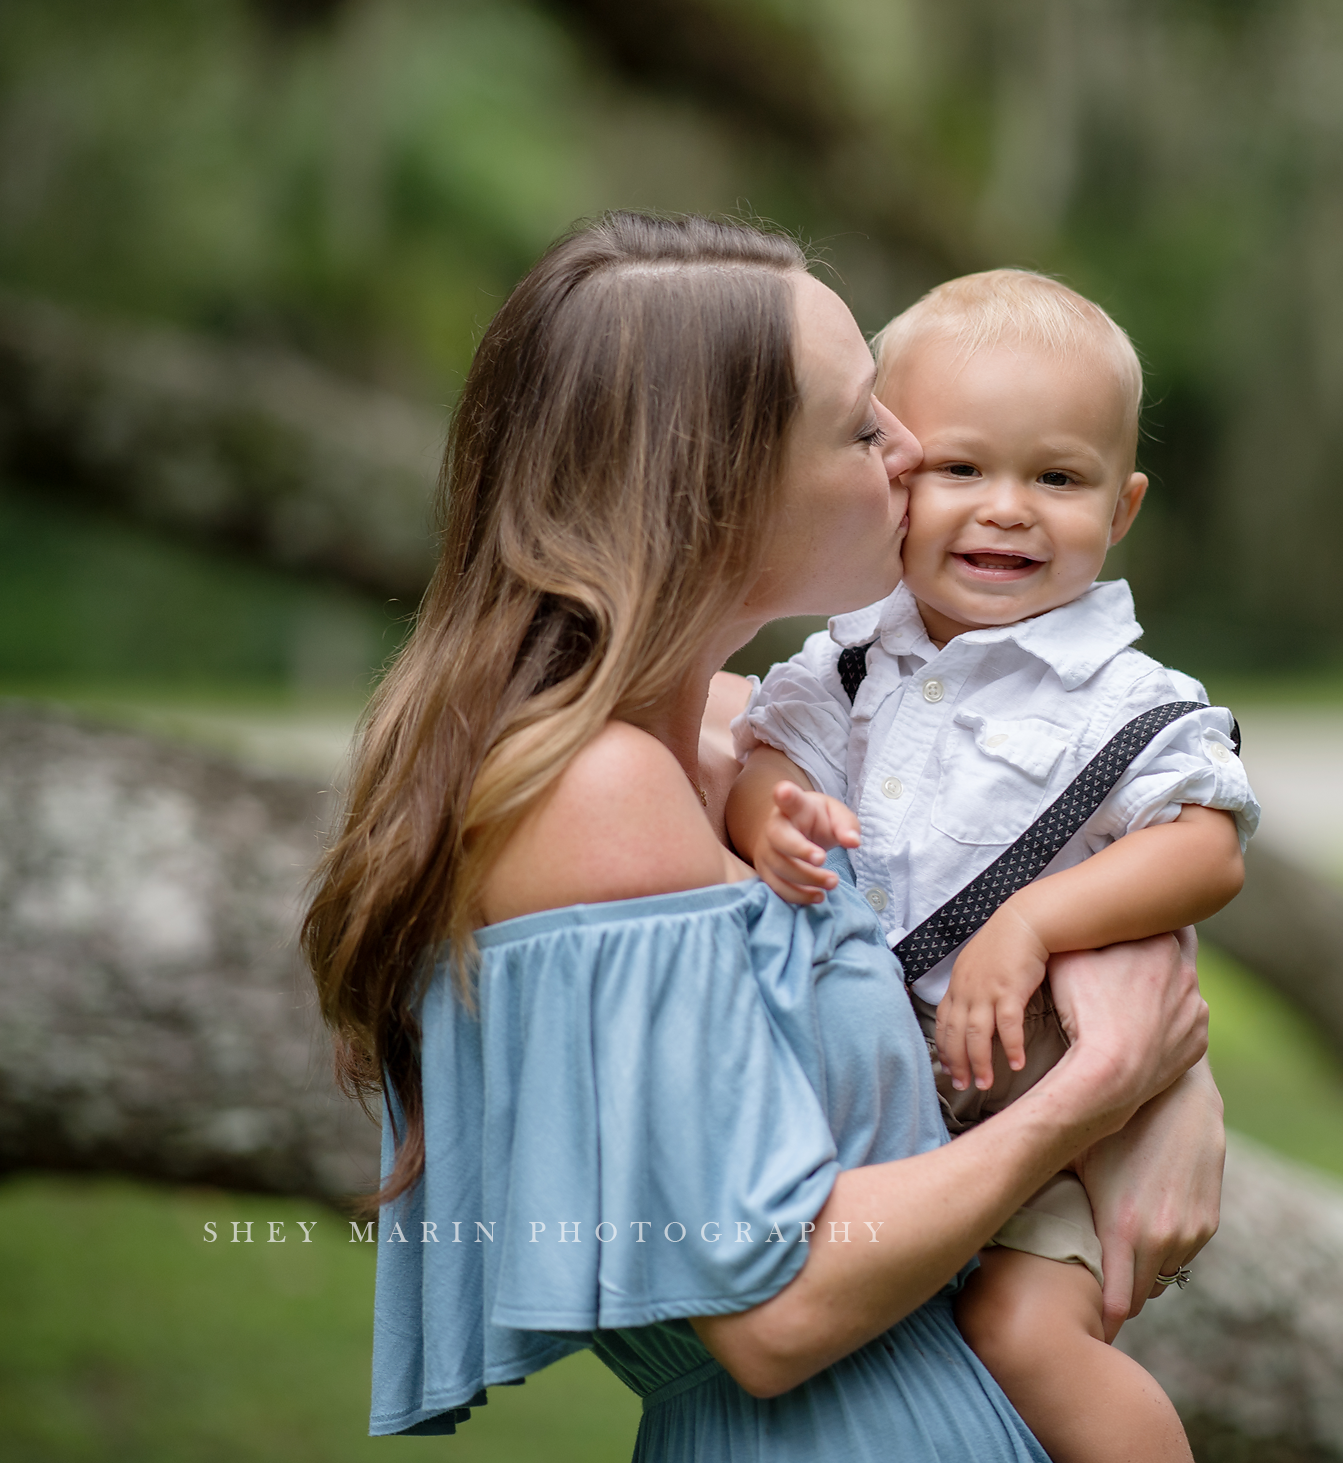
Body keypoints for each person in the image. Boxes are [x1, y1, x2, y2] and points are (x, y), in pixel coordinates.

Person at [298, 212, 1221, 1461]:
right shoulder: (597, 794)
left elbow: (1044, 898)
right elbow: (772, 1308)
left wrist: (1170, 1079)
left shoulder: (760, 744)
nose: (913, 451)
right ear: (716, 487)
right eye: (862, 424)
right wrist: (1099, 1093)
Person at [726, 270, 1256, 1463]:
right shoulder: (849, 663)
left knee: (1022, 1329)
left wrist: (1033, 920)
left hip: (1045, 1114)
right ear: (892, 475)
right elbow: (766, 755)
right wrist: (770, 815)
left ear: (1119, 509)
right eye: (961, 469)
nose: (1006, 509)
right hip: (882, 1120)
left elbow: (1205, 845)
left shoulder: (1125, 698)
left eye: (1055, 478)